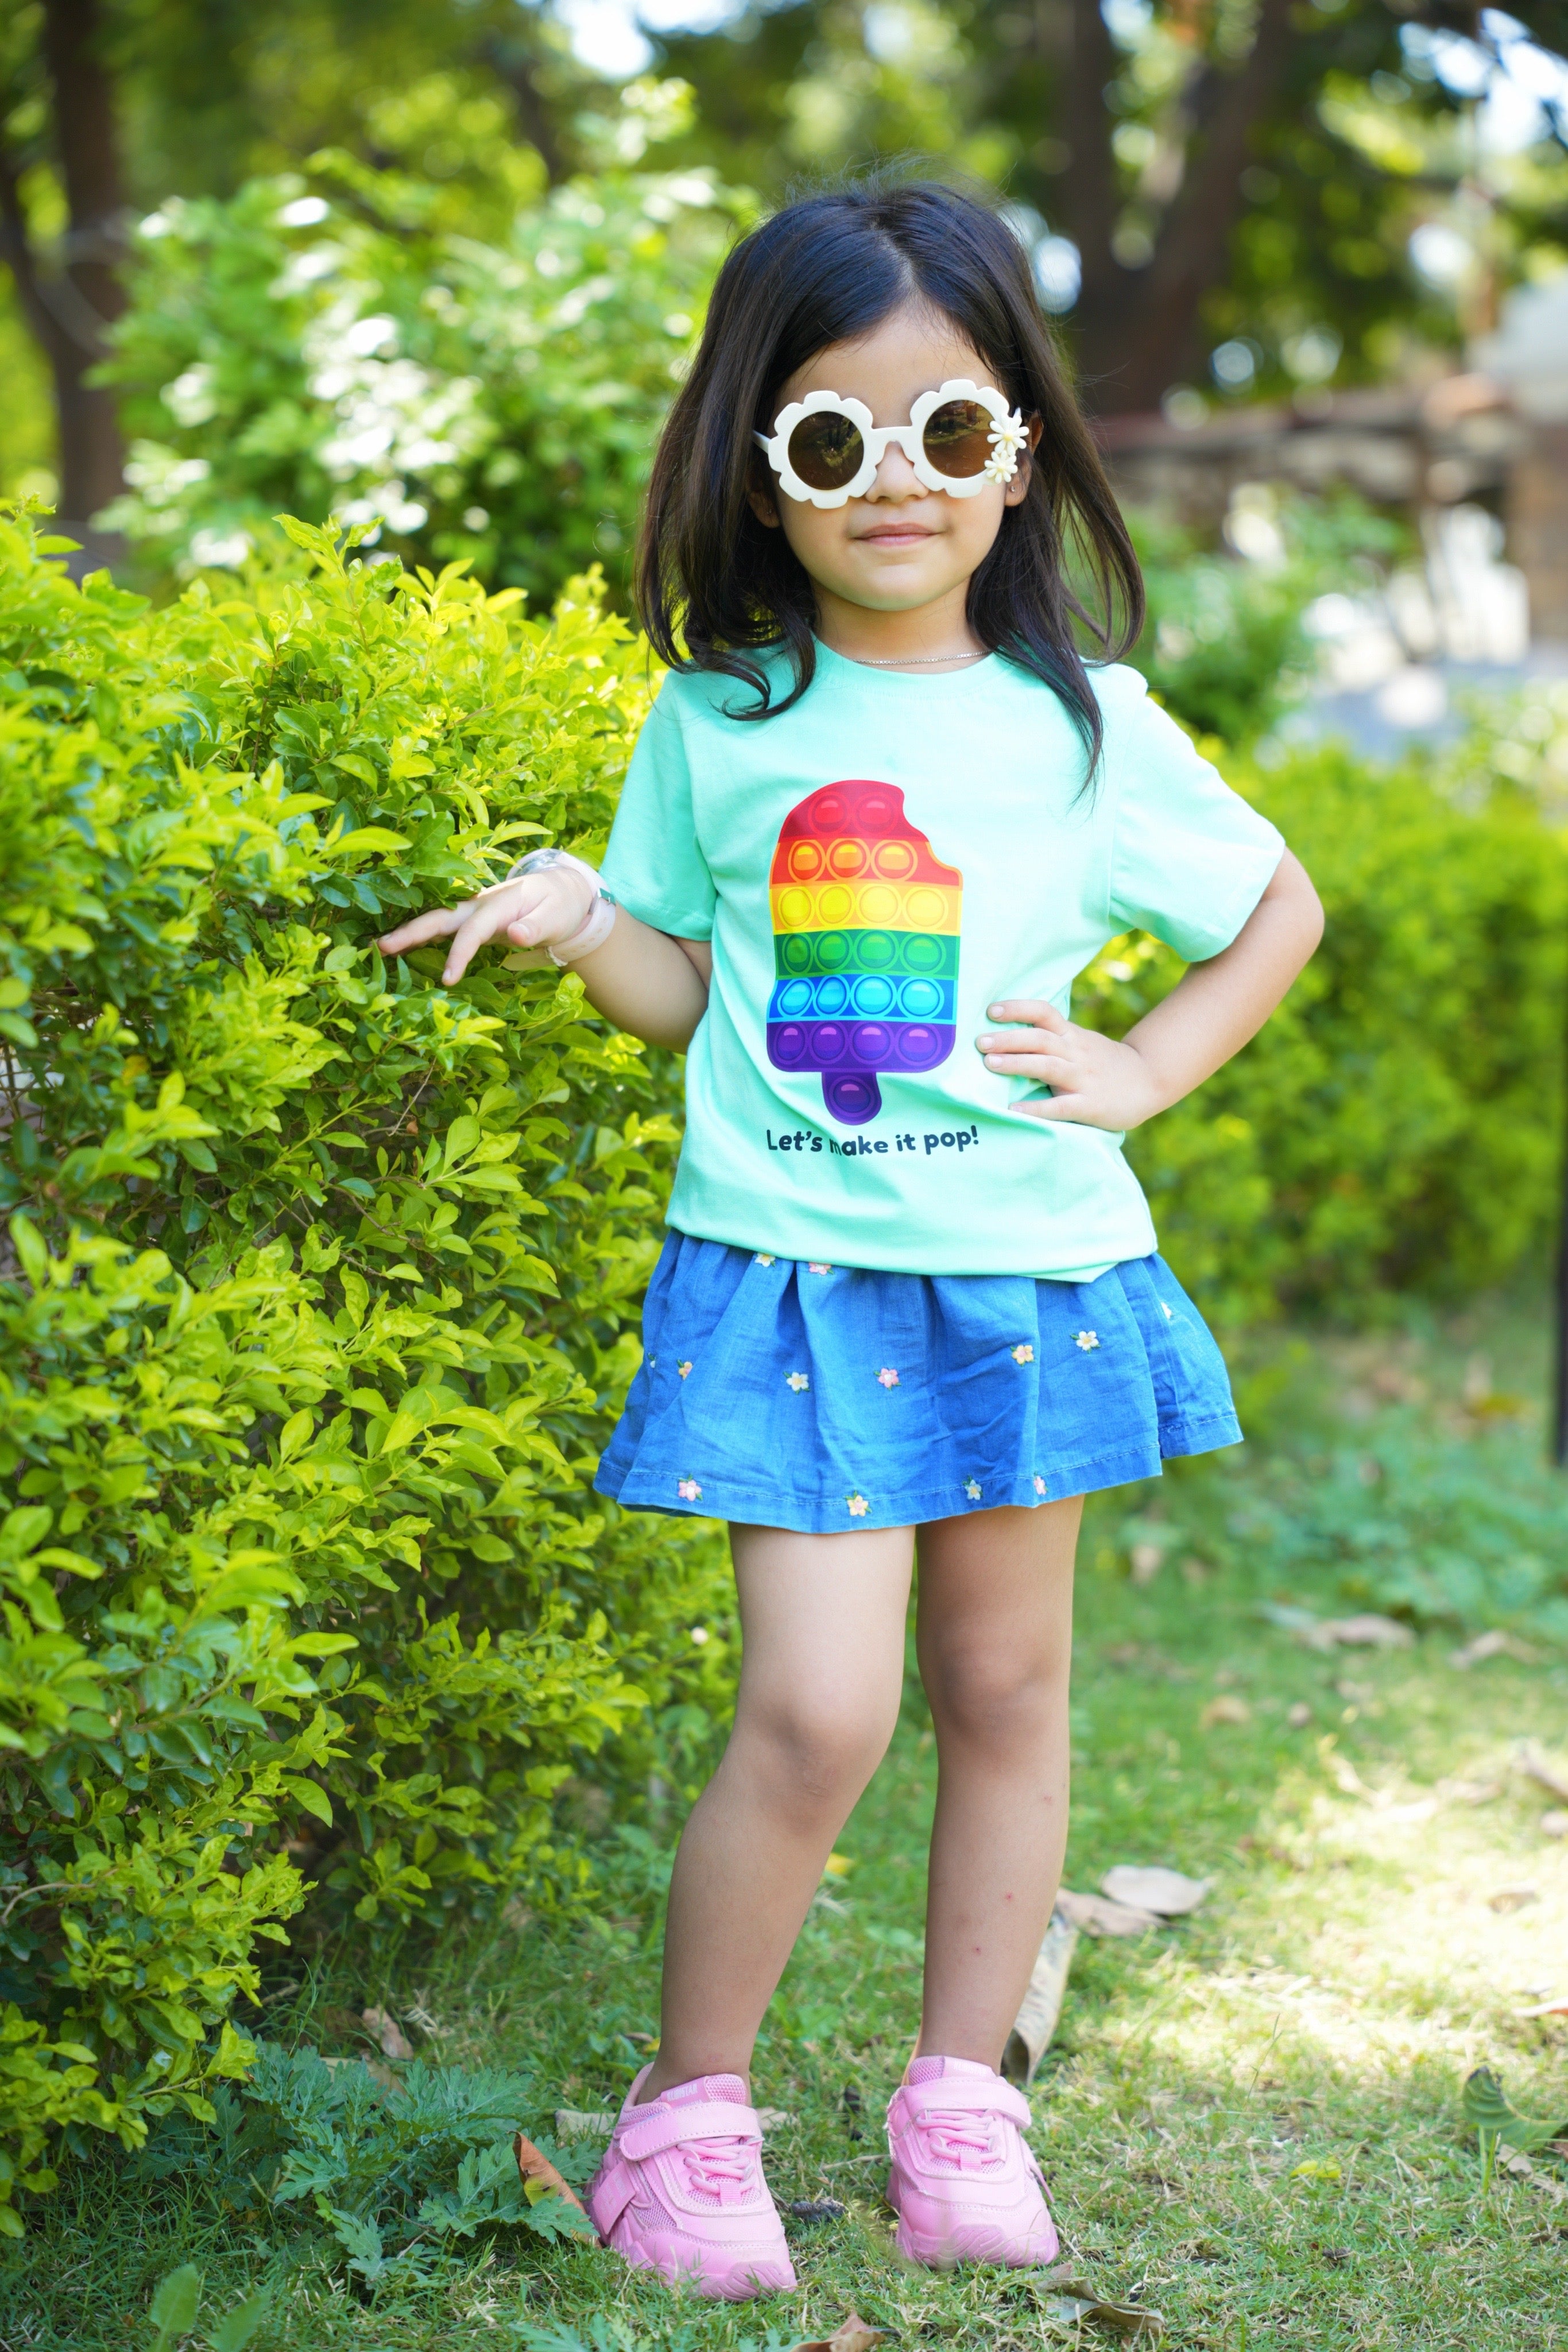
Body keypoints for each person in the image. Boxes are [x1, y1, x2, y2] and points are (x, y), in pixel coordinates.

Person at [378, 176, 1323, 2301]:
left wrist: (1149, 1067)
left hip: (1030, 1270)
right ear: (755, 461)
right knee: (817, 1717)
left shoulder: (1086, 728)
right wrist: (584, 921)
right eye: (828, 438)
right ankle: (685, 2123)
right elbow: (703, 991)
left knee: (1007, 1691)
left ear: (1018, 456)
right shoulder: (718, 720)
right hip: (793, 1275)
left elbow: (1275, 908)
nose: (890, 480)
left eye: (948, 433)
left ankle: (956, 2107)